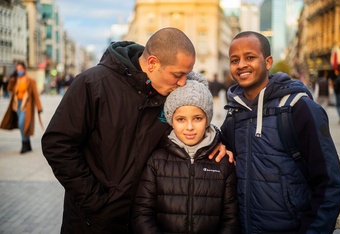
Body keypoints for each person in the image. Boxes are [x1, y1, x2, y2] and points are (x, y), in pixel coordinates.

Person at [41, 27, 231, 234]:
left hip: (141, 222)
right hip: (90, 222)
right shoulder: (93, 84)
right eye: (178, 74)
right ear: (152, 63)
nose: (183, 82)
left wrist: (213, 141)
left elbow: (193, 120)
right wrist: (95, 201)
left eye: (187, 74)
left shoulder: (171, 91)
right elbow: (57, 144)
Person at [221, 31, 340, 233]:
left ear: (268, 62)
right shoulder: (234, 113)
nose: (241, 64)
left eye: (250, 57)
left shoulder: (299, 108)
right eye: (235, 60)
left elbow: (330, 183)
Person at [132, 72, 240, 234]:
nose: (189, 127)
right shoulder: (157, 160)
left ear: (208, 119)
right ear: (171, 120)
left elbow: (231, 219)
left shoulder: (223, 162)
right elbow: (142, 214)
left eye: (197, 118)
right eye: (181, 119)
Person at [0, 62, 43, 154]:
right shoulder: (16, 80)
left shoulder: (30, 80)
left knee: (21, 123)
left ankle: (24, 144)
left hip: (26, 105)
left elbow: (35, 94)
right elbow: (9, 89)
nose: (19, 71)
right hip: (17, 104)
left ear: (24, 69)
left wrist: (39, 107)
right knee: (23, 125)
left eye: (20, 69)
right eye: (17, 70)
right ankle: (27, 144)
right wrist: (12, 80)